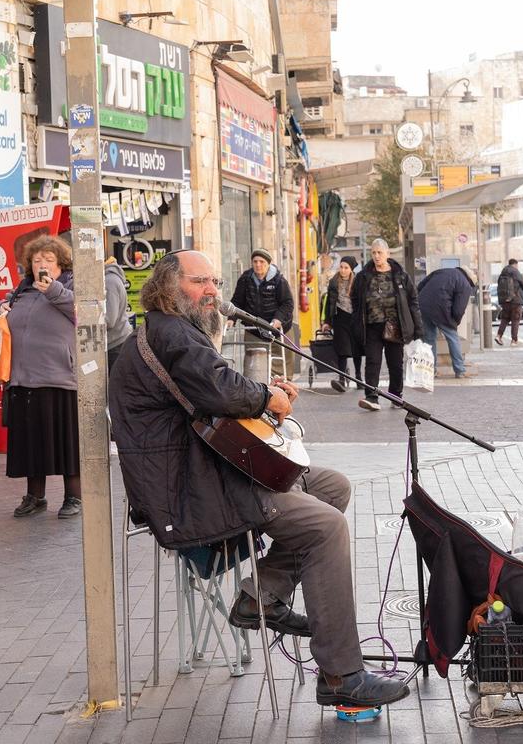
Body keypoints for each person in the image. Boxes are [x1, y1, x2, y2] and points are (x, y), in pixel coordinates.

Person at [109, 250, 409, 709]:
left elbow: (215, 388)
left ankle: (259, 598)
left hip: (204, 473)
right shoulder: (172, 333)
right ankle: (340, 675)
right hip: (191, 491)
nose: (212, 290)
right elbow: (224, 391)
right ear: (168, 288)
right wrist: (268, 397)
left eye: (215, 280)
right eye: (199, 282)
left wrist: (264, 396)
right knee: (325, 528)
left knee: (331, 487)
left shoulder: (176, 331)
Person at [0, 236, 82, 519]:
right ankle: (35, 497)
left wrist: (52, 290)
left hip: (59, 377)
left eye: (49, 260)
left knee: (66, 443)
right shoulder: (23, 290)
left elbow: (82, 312)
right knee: (32, 443)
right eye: (36, 260)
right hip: (23, 377)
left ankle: (73, 497)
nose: (42, 265)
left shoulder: (69, 287)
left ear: (61, 263)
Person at [349, 239, 423, 411]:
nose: (376, 256)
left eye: (379, 252)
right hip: (372, 326)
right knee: (373, 362)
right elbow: (354, 299)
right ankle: (372, 397)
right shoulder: (363, 277)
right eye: (373, 253)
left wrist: (418, 329)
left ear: (387, 254)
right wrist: (356, 322)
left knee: (395, 363)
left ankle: (396, 396)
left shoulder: (400, 275)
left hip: (395, 325)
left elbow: (413, 301)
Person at [230, 248, 295, 380]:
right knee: (254, 365)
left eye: (262, 262)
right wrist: (232, 318)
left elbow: (287, 303)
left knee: (281, 368)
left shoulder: (279, 280)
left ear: (268, 263)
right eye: (255, 261)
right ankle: (255, 390)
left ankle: (283, 390)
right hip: (254, 329)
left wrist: (278, 319)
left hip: (277, 329)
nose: (258, 265)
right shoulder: (245, 279)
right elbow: (237, 301)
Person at [320, 255, 362, 392]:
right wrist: (327, 322)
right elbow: (328, 304)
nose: (343, 270)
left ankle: (359, 378)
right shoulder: (333, 282)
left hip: (355, 319)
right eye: (341, 267)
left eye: (346, 268)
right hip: (339, 319)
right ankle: (342, 379)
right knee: (342, 351)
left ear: (351, 269)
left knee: (356, 349)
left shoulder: (358, 282)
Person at [104, 254, 132, 374]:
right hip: (116, 342)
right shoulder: (111, 278)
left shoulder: (109, 281)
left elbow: (110, 320)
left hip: (115, 344)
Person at [495, 258, 523, 346]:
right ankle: (514, 340)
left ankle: (499, 336)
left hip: (504, 301)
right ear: (515, 264)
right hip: (515, 300)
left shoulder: (502, 273)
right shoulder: (515, 272)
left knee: (505, 319)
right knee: (515, 319)